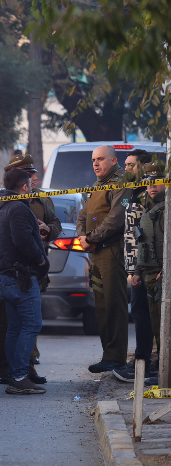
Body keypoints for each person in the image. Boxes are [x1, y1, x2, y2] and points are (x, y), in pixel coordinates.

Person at [0, 154, 60, 385]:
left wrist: (45, 230)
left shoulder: (41, 200)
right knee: (13, 323)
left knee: (25, 323)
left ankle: (24, 368)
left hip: (28, 269)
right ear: (20, 179)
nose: (35, 177)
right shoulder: (7, 204)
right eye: (30, 173)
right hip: (15, 267)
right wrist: (35, 254)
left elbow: (55, 224)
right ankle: (9, 370)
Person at [0, 167, 50, 394]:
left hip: (8, 276)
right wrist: (41, 261)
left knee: (15, 328)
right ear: (24, 187)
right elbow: (23, 240)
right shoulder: (18, 208)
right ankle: (19, 376)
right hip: (21, 277)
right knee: (31, 324)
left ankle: (13, 375)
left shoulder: (3, 207)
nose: (33, 186)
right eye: (31, 183)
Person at [79, 145, 130, 374]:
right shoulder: (97, 185)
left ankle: (116, 357)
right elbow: (83, 214)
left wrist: (91, 238)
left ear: (113, 160)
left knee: (114, 305)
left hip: (111, 252)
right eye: (93, 160)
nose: (96, 164)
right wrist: (83, 236)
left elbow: (116, 219)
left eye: (100, 159)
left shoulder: (121, 183)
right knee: (101, 305)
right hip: (96, 253)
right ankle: (107, 354)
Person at [121, 149, 156, 382]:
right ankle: (141, 361)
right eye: (125, 164)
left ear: (143, 167)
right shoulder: (132, 191)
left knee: (144, 314)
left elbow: (142, 235)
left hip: (145, 266)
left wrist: (136, 269)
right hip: (136, 264)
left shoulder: (148, 193)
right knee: (141, 314)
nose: (126, 169)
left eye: (130, 165)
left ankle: (144, 362)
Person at [133, 161, 166, 386]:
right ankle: (160, 367)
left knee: (163, 326)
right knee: (155, 325)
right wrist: (136, 271)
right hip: (148, 273)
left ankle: (165, 371)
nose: (152, 186)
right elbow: (142, 244)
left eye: (157, 181)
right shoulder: (149, 208)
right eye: (148, 182)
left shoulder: (166, 210)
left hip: (162, 275)